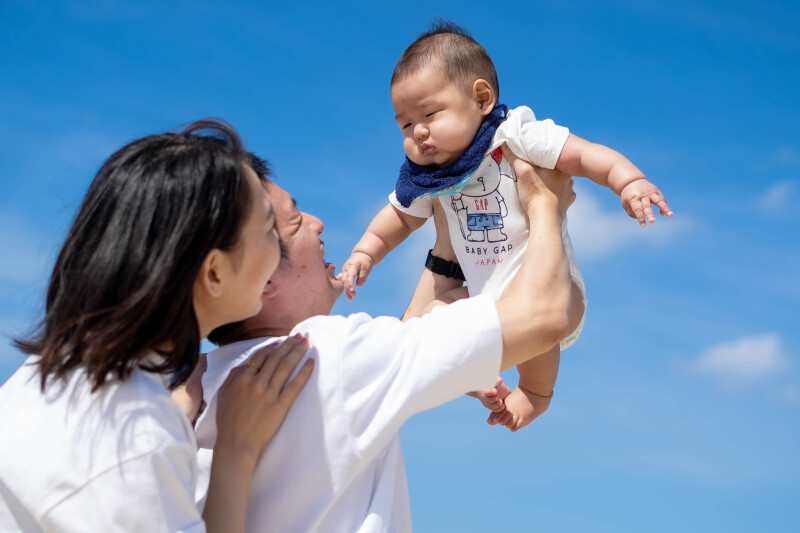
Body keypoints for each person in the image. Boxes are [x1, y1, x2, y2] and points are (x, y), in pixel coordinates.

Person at [194, 147, 576, 532]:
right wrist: (544, 206)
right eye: (294, 222)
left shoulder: (194, 388)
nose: (317, 223)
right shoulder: (325, 355)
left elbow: (401, 345)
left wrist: (447, 247)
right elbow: (544, 315)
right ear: (260, 276)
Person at [341, 19, 673, 430]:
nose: (419, 132)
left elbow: (585, 157)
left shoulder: (514, 134)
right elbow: (396, 218)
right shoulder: (427, 176)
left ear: (481, 98)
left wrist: (630, 182)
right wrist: (364, 252)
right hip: (483, 295)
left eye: (429, 113)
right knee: (431, 319)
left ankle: (535, 396)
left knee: (539, 345)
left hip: (550, 286)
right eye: (406, 125)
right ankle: (476, 379)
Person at [0, 121, 313, 533]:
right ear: (215, 272)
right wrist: (236, 450)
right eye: (269, 231)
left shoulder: (44, 378)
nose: (280, 248)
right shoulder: (135, 441)